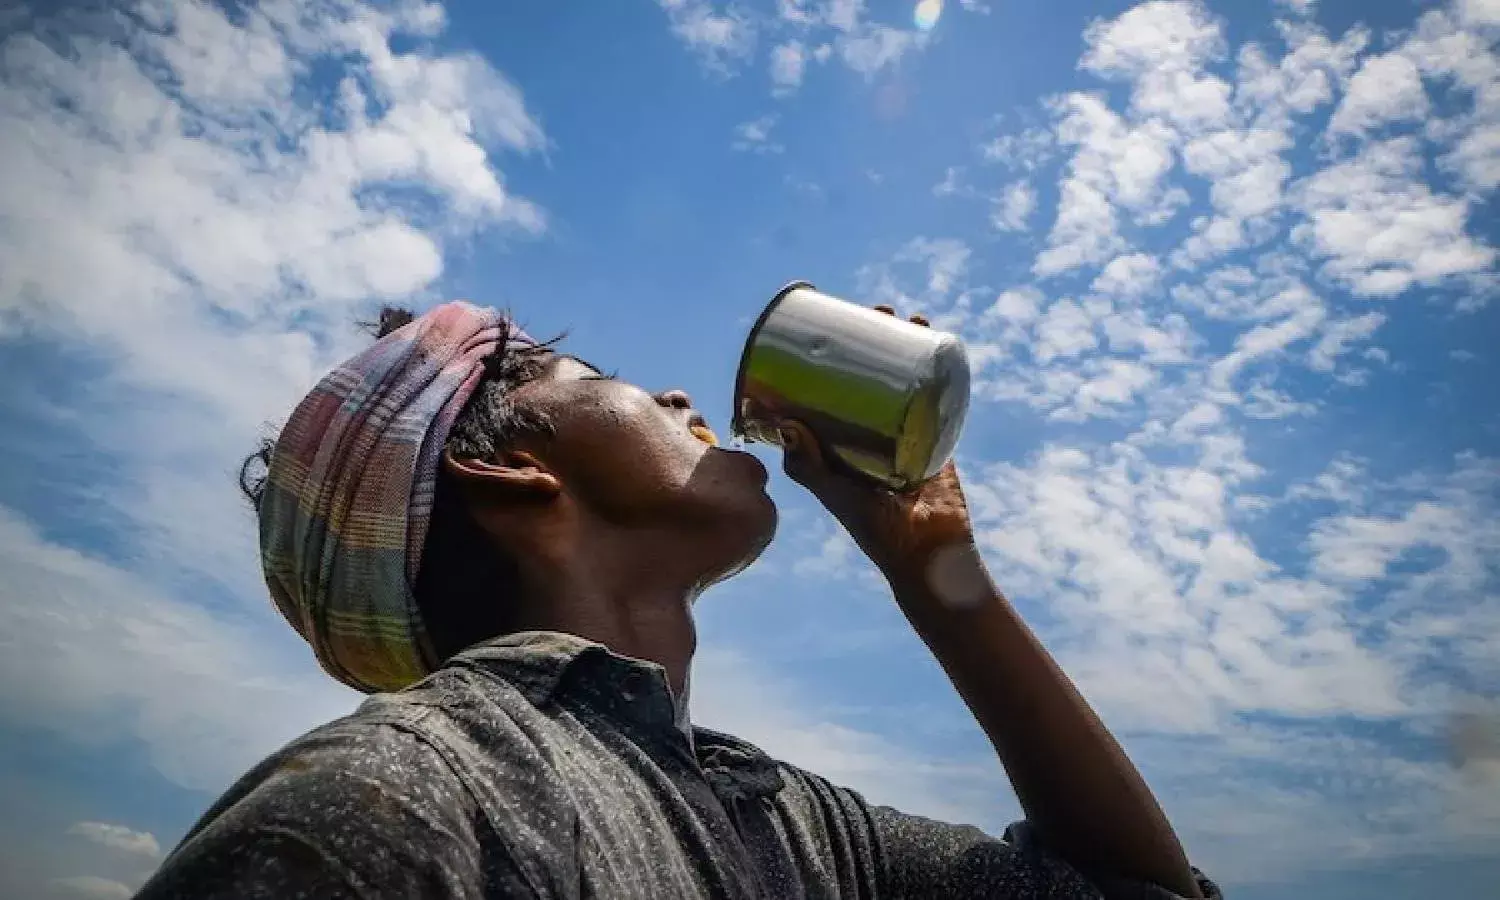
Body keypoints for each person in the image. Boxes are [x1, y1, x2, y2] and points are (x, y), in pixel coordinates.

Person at [135, 301, 1220, 899]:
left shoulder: (791, 817)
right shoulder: (404, 797)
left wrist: (937, 568)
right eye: (594, 374)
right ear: (514, 469)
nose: (679, 396)